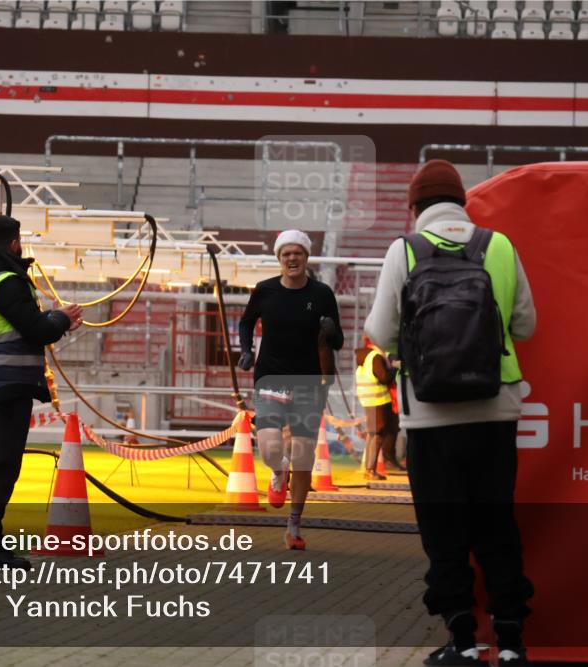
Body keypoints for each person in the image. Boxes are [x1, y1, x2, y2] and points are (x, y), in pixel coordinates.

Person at [364, 160, 536, 666]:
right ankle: (510, 644)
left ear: (414, 207)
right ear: (462, 202)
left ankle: (462, 641)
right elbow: (525, 325)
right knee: (496, 526)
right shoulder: (499, 246)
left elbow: (381, 332)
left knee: (445, 535)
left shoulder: (405, 250)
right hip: (495, 410)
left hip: (429, 417)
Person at [0, 215, 83, 569]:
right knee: (1, 468)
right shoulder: (7, 282)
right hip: (8, 383)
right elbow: (37, 330)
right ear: (14, 242)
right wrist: (61, 318)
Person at [237, 229, 343, 550]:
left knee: (303, 453)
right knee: (270, 447)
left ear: (306, 257)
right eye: (286, 254)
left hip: (309, 381)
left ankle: (294, 526)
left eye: (297, 253)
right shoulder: (265, 290)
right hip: (271, 377)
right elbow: (245, 322)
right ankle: (277, 469)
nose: (292, 259)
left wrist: (330, 330)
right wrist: (245, 349)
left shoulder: (323, 293)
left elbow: (336, 342)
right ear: (279, 259)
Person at [354, 336, 403, 480]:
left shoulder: (364, 357)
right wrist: (394, 367)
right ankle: (370, 470)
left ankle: (368, 469)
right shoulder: (375, 357)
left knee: (372, 434)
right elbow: (384, 377)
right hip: (378, 400)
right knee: (378, 435)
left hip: (368, 400)